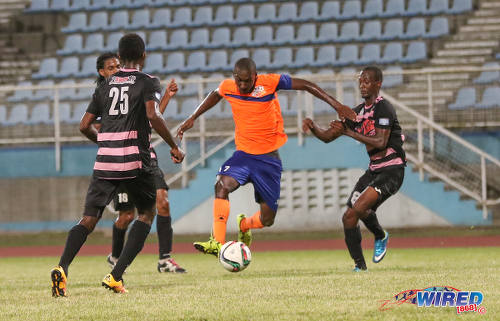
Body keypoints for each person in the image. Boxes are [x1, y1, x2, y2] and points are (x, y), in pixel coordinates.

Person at [176, 57, 356, 257]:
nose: (243, 85)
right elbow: (215, 94)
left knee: (268, 219)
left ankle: (244, 225)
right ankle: (217, 242)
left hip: (269, 160)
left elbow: (305, 85)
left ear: (255, 76)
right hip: (243, 155)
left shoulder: (269, 82)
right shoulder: (229, 86)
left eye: (247, 81)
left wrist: (337, 105)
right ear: (234, 78)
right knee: (221, 185)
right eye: (239, 81)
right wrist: (192, 117)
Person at [50, 33, 184, 297]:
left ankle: (63, 268)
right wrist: (173, 145)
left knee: (89, 218)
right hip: (135, 160)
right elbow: (152, 116)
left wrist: (105, 142)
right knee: (146, 213)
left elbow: (83, 125)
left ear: (119, 58)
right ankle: (115, 275)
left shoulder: (105, 85)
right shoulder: (148, 81)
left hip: (105, 161)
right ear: (144, 56)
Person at [302, 66, 406, 271]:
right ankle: (360, 267)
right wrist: (313, 127)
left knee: (359, 208)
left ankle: (380, 235)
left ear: (378, 84)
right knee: (348, 217)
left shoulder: (383, 108)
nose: (363, 85)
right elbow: (327, 137)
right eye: (361, 82)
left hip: (392, 170)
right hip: (374, 170)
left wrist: (348, 133)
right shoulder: (356, 113)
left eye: (367, 81)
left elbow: (380, 142)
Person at [93, 54, 186, 273]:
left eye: (118, 66)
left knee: (162, 201)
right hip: (120, 158)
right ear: (102, 72)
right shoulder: (103, 94)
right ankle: (116, 256)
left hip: (145, 156)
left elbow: (151, 117)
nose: (115, 70)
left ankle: (164, 259)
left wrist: (167, 98)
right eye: (110, 68)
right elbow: (94, 126)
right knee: (126, 216)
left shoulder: (136, 86)